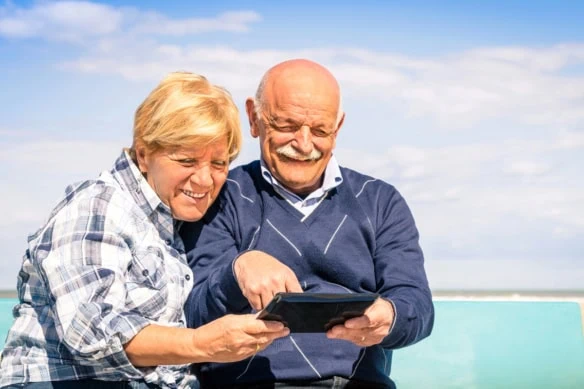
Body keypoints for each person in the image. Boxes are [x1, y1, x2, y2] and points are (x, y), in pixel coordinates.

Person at [0, 72, 289, 389]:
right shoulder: (98, 206)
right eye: (186, 160)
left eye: (219, 164)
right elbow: (92, 331)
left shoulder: (168, 221)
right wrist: (201, 343)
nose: (205, 180)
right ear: (143, 153)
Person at [181, 59, 435, 389]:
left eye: (319, 130)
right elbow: (190, 318)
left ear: (338, 127)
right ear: (254, 118)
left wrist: (390, 316)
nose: (303, 145)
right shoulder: (218, 196)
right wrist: (237, 271)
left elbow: (417, 307)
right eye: (286, 126)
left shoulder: (380, 201)